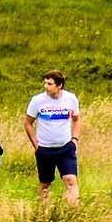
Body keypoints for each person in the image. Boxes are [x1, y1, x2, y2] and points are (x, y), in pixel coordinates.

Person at [24, 70, 82, 204]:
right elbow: (28, 123)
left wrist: (75, 140)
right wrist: (36, 146)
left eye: (49, 84)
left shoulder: (70, 99)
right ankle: (43, 215)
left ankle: (73, 214)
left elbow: (76, 119)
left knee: (71, 181)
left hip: (65, 148)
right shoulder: (37, 100)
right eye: (45, 83)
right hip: (45, 149)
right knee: (45, 184)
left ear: (59, 85)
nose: (46, 87)